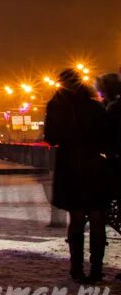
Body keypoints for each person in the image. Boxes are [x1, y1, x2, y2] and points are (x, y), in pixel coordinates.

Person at [45, 68, 111, 282]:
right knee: (97, 217)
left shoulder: (55, 106)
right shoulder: (94, 106)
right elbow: (106, 138)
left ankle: (76, 270)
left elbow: (51, 138)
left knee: (76, 219)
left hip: (70, 166)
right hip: (94, 166)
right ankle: (96, 269)